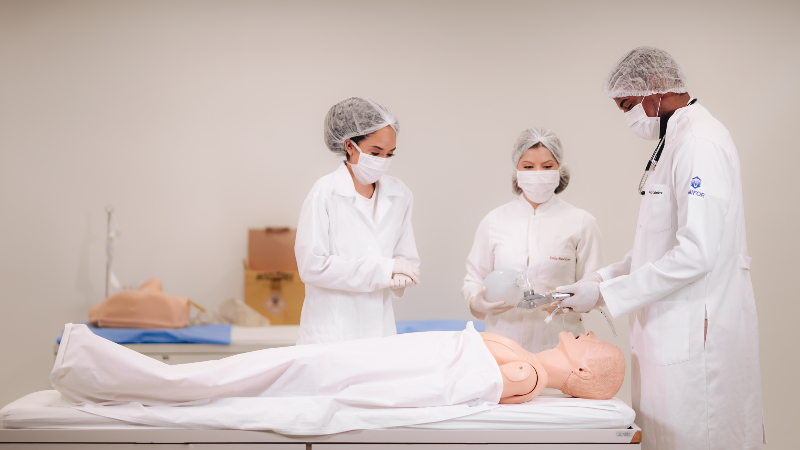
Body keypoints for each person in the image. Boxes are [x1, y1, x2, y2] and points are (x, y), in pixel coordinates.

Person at [556, 46, 764, 450]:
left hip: (695, 342)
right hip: (669, 336)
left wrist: (605, 293)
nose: (628, 117)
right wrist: (601, 278)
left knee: (696, 436)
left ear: (655, 87)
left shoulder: (699, 143)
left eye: (627, 105)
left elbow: (696, 253)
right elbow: (657, 245)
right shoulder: (675, 141)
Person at [462, 127, 604, 353]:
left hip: (560, 347)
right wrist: (475, 301)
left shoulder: (581, 222)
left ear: (559, 169)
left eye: (547, 166)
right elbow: (473, 279)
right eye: (528, 167)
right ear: (517, 171)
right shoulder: (494, 221)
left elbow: (594, 287)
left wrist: (566, 302)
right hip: (503, 344)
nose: (538, 173)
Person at [295, 97, 420, 345]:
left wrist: (402, 273)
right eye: (375, 153)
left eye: (389, 154)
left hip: (380, 329)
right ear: (349, 146)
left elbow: (405, 257)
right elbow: (312, 266)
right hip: (333, 331)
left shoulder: (399, 194)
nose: (383, 161)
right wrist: (384, 270)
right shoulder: (325, 192)